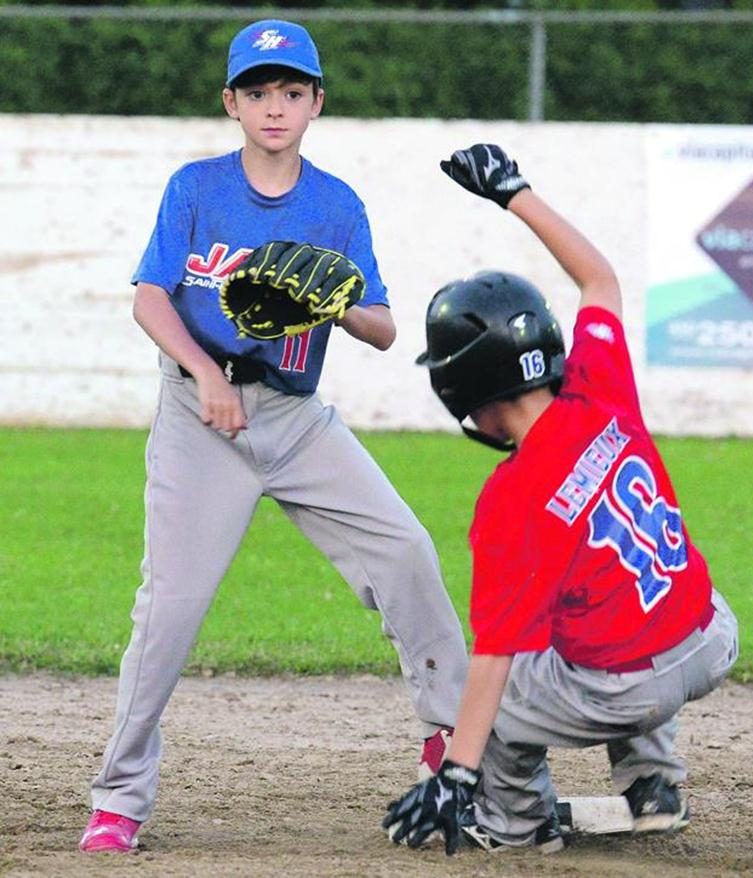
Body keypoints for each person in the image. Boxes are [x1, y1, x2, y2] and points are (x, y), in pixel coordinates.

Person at [78, 19, 468, 854]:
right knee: (171, 612)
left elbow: (384, 328)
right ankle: (117, 799)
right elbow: (151, 296)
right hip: (198, 417)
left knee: (405, 551)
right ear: (232, 103)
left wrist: (335, 303)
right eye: (257, 92)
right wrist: (206, 375)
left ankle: (454, 746)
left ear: (316, 102)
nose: (275, 106)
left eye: (292, 91)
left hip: (294, 418)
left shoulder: (336, 205)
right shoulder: (195, 187)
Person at [383, 144, 739, 856]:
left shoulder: (513, 498)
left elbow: (495, 657)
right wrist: (514, 192)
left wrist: (458, 772)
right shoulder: (597, 383)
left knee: (499, 693)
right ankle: (652, 785)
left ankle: (516, 824)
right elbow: (599, 277)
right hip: (707, 638)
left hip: (630, 687)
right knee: (605, 606)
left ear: (465, 396)